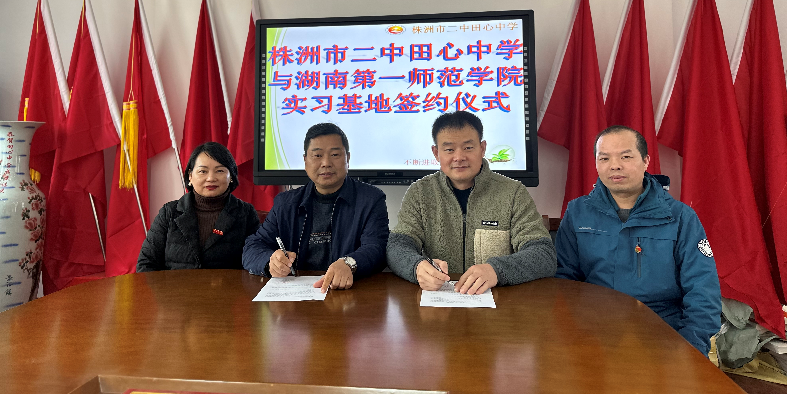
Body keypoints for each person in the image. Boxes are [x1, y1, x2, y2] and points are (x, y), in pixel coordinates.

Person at [555, 125, 721, 356]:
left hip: (662, 333)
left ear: (646, 161)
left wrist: (689, 350)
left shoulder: (681, 217)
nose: (615, 165)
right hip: (593, 334)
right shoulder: (577, 212)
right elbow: (563, 282)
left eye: (625, 157)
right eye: (604, 158)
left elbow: (703, 291)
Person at [387, 111, 556, 294]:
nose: (459, 157)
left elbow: (543, 254)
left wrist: (497, 270)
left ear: (482, 148)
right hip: (439, 301)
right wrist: (417, 266)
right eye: (449, 149)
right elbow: (397, 245)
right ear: (436, 153)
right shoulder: (420, 193)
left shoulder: (513, 193)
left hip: (500, 304)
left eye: (468, 147)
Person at [242, 122, 389, 292]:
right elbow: (253, 246)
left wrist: (350, 263)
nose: (326, 163)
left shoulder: (371, 200)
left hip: (349, 293)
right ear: (305, 160)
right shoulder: (286, 203)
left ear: (347, 158)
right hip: (297, 296)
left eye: (335, 154)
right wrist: (270, 262)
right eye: (317, 155)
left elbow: (377, 248)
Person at [137, 142, 260, 271]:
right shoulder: (169, 212)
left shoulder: (246, 213)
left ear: (231, 177)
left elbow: (256, 260)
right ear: (190, 176)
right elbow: (146, 264)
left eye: (219, 171)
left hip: (228, 285)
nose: (211, 178)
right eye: (203, 171)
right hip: (176, 285)